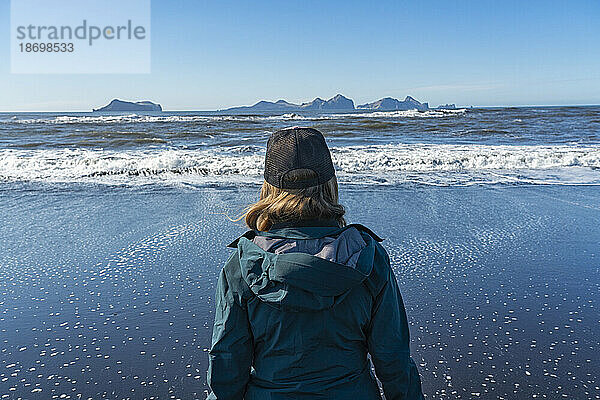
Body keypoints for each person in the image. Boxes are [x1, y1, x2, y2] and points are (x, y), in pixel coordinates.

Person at [207, 127, 424, 399]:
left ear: (269, 188)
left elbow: (227, 363)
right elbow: (393, 357)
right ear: (330, 183)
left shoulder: (243, 265)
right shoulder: (366, 256)